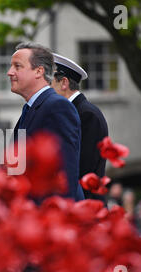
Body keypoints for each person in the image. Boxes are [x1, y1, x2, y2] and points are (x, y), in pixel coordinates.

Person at [8, 42, 84, 201]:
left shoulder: (57, 106)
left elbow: (65, 172)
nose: (10, 72)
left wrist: (57, 216)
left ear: (38, 71)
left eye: (17, 66)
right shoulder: (32, 108)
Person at [51, 53, 109, 201]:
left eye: (50, 82)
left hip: (86, 205)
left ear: (64, 83)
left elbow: (84, 167)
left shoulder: (87, 114)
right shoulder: (75, 111)